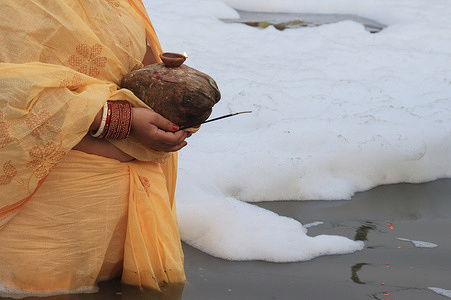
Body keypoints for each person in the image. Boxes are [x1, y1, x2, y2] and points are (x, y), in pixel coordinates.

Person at [0, 0, 190, 296]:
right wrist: (118, 120)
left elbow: (143, 68)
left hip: (124, 230)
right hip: (45, 233)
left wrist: (179, 102)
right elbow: (9, 92)